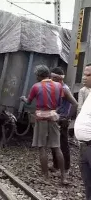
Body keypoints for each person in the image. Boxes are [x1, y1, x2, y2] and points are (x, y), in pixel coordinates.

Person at [20, 65, 67, 184]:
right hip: (53, 117)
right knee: (57, 147)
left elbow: (29, 102)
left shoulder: (36, 86)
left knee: (42, 147)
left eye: (36, 75)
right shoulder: (59, 86)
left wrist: (23, 99)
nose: (36, 77)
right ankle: (63, 177)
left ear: (40, 76)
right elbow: (60, 103)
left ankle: (46, 177)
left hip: (41, 118)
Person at [49, 67, 78, 174]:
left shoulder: (64, 89)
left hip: (62, 121)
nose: (50, 80)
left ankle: (65, 168)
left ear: (58, 78)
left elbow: (75, 104)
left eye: (52, 78)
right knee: (54, 144)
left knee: (62, 144)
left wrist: (67, 118)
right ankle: (56, 165)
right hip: (55, 119)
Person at [74, 64, 91, 200]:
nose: (84, 77)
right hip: (84, 146)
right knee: (88, 186)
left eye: (88, 75)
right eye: (84, 74)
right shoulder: (88, 93)